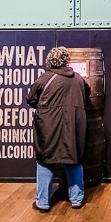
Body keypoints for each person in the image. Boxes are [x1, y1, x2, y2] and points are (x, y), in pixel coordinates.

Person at [27, 46, 90, 213]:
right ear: (66, 60)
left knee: (45, 161)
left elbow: (31, 99)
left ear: (49, 61)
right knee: (73, 159)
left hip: (48, 126)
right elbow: (87, 93)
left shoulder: (44, 78)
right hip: (73, 125)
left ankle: (43, 203)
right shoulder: (77, 78)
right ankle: (76, 199)